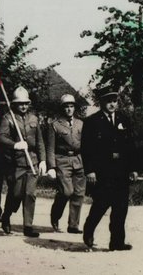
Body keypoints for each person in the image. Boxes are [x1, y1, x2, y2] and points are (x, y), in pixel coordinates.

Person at [81, 87, 138, 251]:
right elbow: (87, 148)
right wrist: (90, 170)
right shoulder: (92, 122)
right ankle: (89, 229)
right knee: (101, 204)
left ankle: (117, 242)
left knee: (121, 208)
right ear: (101, 103)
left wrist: (133, 168)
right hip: (102, 170)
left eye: (114, 101)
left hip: (121, 170)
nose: (112, 104)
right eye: (108, 101)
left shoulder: (123, 119)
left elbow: (130, 146)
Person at [0, 86, 46, 238]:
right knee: (16, 194)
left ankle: (28, 226)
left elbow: (40, 142)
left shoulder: (34, 119)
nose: (23, 106)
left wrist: (43, 160)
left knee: (30, 194)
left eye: (25, 103)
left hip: (32, 162)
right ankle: (6, 215)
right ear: (14, 104)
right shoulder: (8, 118)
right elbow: (1, 137)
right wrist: (15, 144)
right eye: (20, 103)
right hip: (15, 163)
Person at [47, 94, 86, 234]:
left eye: (71, 106)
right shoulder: (55, 125)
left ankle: (73, 225)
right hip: (62, 161)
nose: (69, 109)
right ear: (62, 108)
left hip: (79, 160)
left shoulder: (81, 124)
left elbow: (86, 145)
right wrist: (51, 166)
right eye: (66, 107)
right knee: (66, 191)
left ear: (74, 108)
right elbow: (50, 148)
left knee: (79, 193)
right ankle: (55, 215)